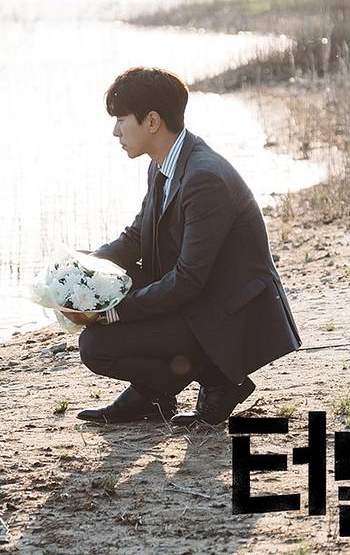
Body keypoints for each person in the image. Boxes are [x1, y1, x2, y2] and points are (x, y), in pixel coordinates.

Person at [73, 66, 301, 426]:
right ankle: (154, 394)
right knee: (114, 288)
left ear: (151, 121)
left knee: (96, 346)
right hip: (199, 297)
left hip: (226, 314)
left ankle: (220, 379)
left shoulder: (204, 178)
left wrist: (114, 311)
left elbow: (188, 279)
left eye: (120, 120)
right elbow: (136, 238)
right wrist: (78, 273)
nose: (115, 131)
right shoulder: (163, 164)